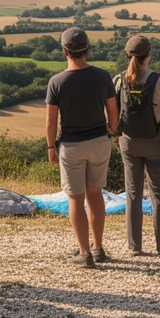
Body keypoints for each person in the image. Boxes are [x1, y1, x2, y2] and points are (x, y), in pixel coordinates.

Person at [46, 26, 118, 268]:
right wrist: (111, 130)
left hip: (71, 146)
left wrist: (50, 147)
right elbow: (113, 114)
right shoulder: (103, 76)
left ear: (65, 52)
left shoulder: (56, 82)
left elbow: (50, 121)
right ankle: (98, 248)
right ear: (87, 49)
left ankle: (84, 253)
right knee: (95, 195)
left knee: (75, 199)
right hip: (99, 142)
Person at [115, 35, 160, 256]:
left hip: (128, 142)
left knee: (132, 194)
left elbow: (113, 115)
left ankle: (134, 247)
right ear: (149, 55)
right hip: (157, 142)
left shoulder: (118, 81)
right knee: (159, 194)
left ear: (128, 55)